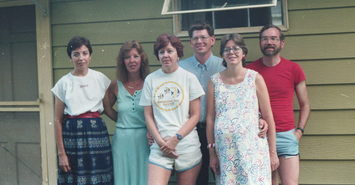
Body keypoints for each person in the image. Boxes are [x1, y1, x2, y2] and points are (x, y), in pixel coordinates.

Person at [179, 23, 268, 185]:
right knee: (197, 180)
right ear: (190, 42)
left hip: (218, 135)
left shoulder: (225, 63)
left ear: (212, 40)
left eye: (204, 37)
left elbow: (243, 97)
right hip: (190, 131)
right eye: (195, 38)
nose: (199, 41)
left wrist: (258, 116)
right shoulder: (181, 68)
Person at [206, 33, 278, 185]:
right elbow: (210, 119)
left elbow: (268, 116)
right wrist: (212, 154)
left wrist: (273, 153)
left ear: (243, 53)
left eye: (236, 48)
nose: (231, 52)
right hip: (226, 152)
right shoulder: (214, 81)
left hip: (253, 150)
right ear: (222, 55)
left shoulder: (254, 78)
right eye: (227, 49)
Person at [247, 25, 310, 185]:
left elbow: (305, 105)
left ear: (282, 43)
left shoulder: (293, 69)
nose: (269, 42)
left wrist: (299, 132)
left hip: (286, 136)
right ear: (260, 43)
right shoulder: (250, 71)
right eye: (265, 38)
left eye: (274, 38)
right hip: (259, 136)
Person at [139, 33, 205, 185]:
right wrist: (161, 142)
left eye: (170, 51)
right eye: (161, 52)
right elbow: (148, 115)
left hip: (187, 146)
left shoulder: (189, 78)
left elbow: (195, 115)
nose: (166, 55)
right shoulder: (151, 79)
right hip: (160, 146)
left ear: (178, 53)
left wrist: (175, 139)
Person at [51, 36, 113, 185]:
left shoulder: (100, 79)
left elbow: (108, 110)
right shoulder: (63, 83)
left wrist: (133, 121)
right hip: (73, 137)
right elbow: (58, 120)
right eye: (76, 54)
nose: (81, 58)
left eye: (85, 53)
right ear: (70, 58)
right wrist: (61, 154)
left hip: (97, 135)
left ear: (90, 55)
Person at [103, 40, 150, 185]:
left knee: (145, 178)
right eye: (127, 57)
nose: (132, 61)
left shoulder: (150, 82)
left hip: (145, 140)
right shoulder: (116, 85)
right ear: (122, 61)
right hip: (122, 140)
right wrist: (122, 120)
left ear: (141, 59)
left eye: (135, 56)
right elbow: (106, 108)